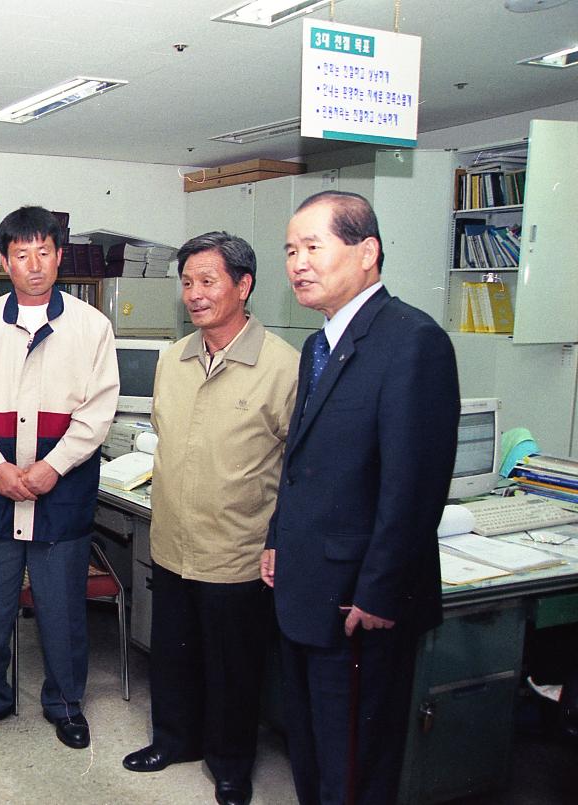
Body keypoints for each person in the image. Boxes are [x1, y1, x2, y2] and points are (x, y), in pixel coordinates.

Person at [264, 191, 460, 805]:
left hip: (359, 603)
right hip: (306, 585)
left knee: (353, 764)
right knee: (313, 749)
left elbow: (414, 487)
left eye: (313, 247)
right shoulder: (319, 345)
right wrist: (276, 539)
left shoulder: (411, 341)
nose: (298, 263)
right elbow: (303, 462)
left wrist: (378, 592)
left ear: (367, 251)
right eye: (291, 250)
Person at [121, 232, 298, 805]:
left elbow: (301, 470)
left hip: (238, 552)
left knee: (232, 670)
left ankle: (230, 764)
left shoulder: (284, 368)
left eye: (208, 281)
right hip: (173, 540)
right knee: (172, 655)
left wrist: (280, 541)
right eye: (188, 282)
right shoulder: (174, 360)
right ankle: (174, 739)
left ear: (243, 286)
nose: (194, 294)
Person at [0, 205, 119, 749]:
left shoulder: (92, 327)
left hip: (61, 492)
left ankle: (66, 704)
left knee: (62, 607)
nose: (34, 264)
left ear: (59, 256)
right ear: (5, 261)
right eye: (22, 255)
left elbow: (97, 411)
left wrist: (53, 466)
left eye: (44, 252)